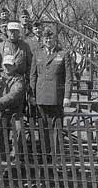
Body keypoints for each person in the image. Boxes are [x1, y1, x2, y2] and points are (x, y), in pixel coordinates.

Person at [29, 27, 73, 155]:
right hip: (41, 96)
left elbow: (68, 78)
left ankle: (55, 156)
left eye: (51, 37)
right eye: (46, 38)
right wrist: (32, 95)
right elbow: (33, 75)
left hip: (56, 96)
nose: (48, 40)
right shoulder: (37, 53)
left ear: (55, 39)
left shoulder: (63, 54)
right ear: (42, 39)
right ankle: (45, 155)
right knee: (42, 126)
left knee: (56, 127)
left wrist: (67, 96)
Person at [0, 54, 26, 158]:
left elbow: (14, 94)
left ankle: (15, 156)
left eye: (10, 65)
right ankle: (2, 157)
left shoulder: (19, 79)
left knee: (18, 130)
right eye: (5, 65)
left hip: (14, 111)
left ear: (15, 66)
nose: (7, 67)